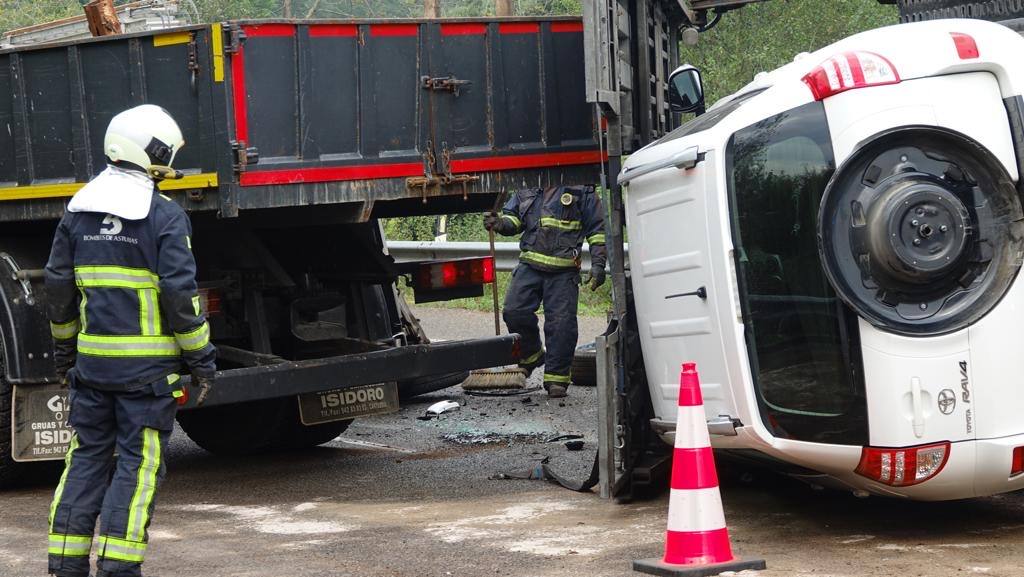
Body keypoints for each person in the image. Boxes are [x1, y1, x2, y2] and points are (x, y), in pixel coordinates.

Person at [45, 105, 216, 577]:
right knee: (137, 470)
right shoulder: (164, 217)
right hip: (146, 380)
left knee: (85, 459)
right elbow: (181, 297)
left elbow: (58, 291)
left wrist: (65, 355)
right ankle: (120, 568)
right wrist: (201, 358)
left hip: (92, 373)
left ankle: (65, 562)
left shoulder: (77, 212)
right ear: (149, 152)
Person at [484, 185, 606, 398]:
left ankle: (556, 379)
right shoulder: (529, 187)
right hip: (530, 264)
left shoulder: (582, 190)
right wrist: (500, 223)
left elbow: (597, 231)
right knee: (514, 311)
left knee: (561, 324)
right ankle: (532, 354)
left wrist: (598, 264)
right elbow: (515, 219)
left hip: (564, 270)